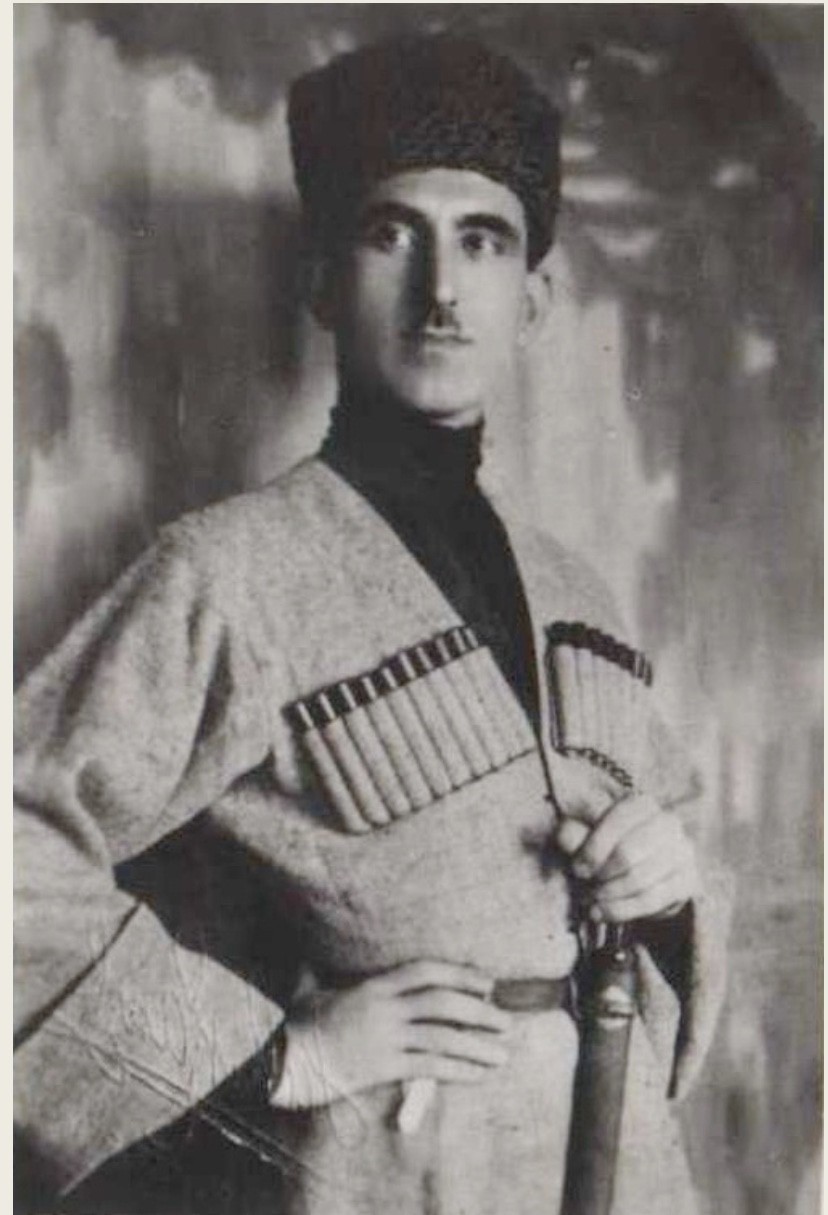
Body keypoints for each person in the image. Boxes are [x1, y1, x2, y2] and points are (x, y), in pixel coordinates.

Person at [14, 34, 730, 1215]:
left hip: (627, 1157)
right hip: (405, 1170)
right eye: (393, 234)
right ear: (322, 284)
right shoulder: (229, 569)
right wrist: (275, 1056)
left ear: (533, 300)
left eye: (484, 241)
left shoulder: (578, 592)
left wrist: (675, 885)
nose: (442, 290)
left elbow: (678, 853)